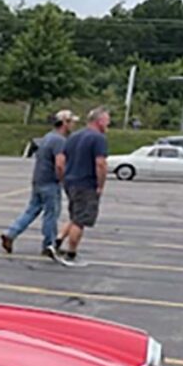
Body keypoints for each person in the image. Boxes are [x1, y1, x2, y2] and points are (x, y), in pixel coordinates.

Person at [0, 110, 78, 260]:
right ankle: (49, 245)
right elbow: (60, 164)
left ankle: (11, 233)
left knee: (32, 210)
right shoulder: (59, 140)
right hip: (50, 182)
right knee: (51, 214)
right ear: (64, 123)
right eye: (72, 122)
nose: (74, 125)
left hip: (39, 180)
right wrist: (64, 180)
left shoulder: (48, 137)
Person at [56, 107, 110, 266]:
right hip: (86, 183)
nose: (109, 124)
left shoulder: (73, 137)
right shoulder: (98, 138)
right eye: (107, 120)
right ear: (99, 121)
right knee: (80, 221)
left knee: (75, 215)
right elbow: (100, 163)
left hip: (71, 182)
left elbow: (61, 160)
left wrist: (63, 178)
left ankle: (57, 241)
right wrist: (100, 185)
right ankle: (71, 254)